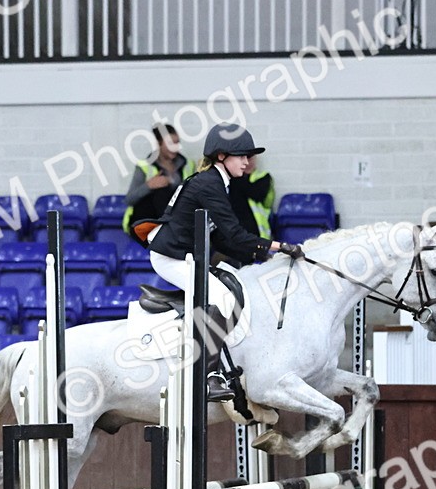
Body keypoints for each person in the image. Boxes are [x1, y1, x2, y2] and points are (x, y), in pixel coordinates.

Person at [146, 123, 302, 402]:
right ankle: (207, 376)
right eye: (241, 155)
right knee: (221, 298)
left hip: (186, 254)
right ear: (221, 156)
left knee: (230, 284)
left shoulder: (216, 181)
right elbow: (233, 233)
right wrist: (276, 246)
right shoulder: (209, 184)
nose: (247, 161)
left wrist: (266, 255)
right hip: (171, 256)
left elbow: (223, 240)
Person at [122, 124, 195, 235]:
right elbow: (129, 199)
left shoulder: (188, 164)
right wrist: (149, 186)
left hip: (177, 219)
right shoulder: (144, 165)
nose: (175, 147)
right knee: (161, 192)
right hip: (146, 220)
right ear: (159, 144)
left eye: (177, 143)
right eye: (170, 143)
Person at [228, 154, 275, 240]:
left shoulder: (263, 177)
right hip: (235, 229)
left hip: (256, 229)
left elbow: (257, 194)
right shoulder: (230, 179)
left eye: (250, 158)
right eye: (243, 158)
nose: (247, 162)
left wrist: (239, 175)